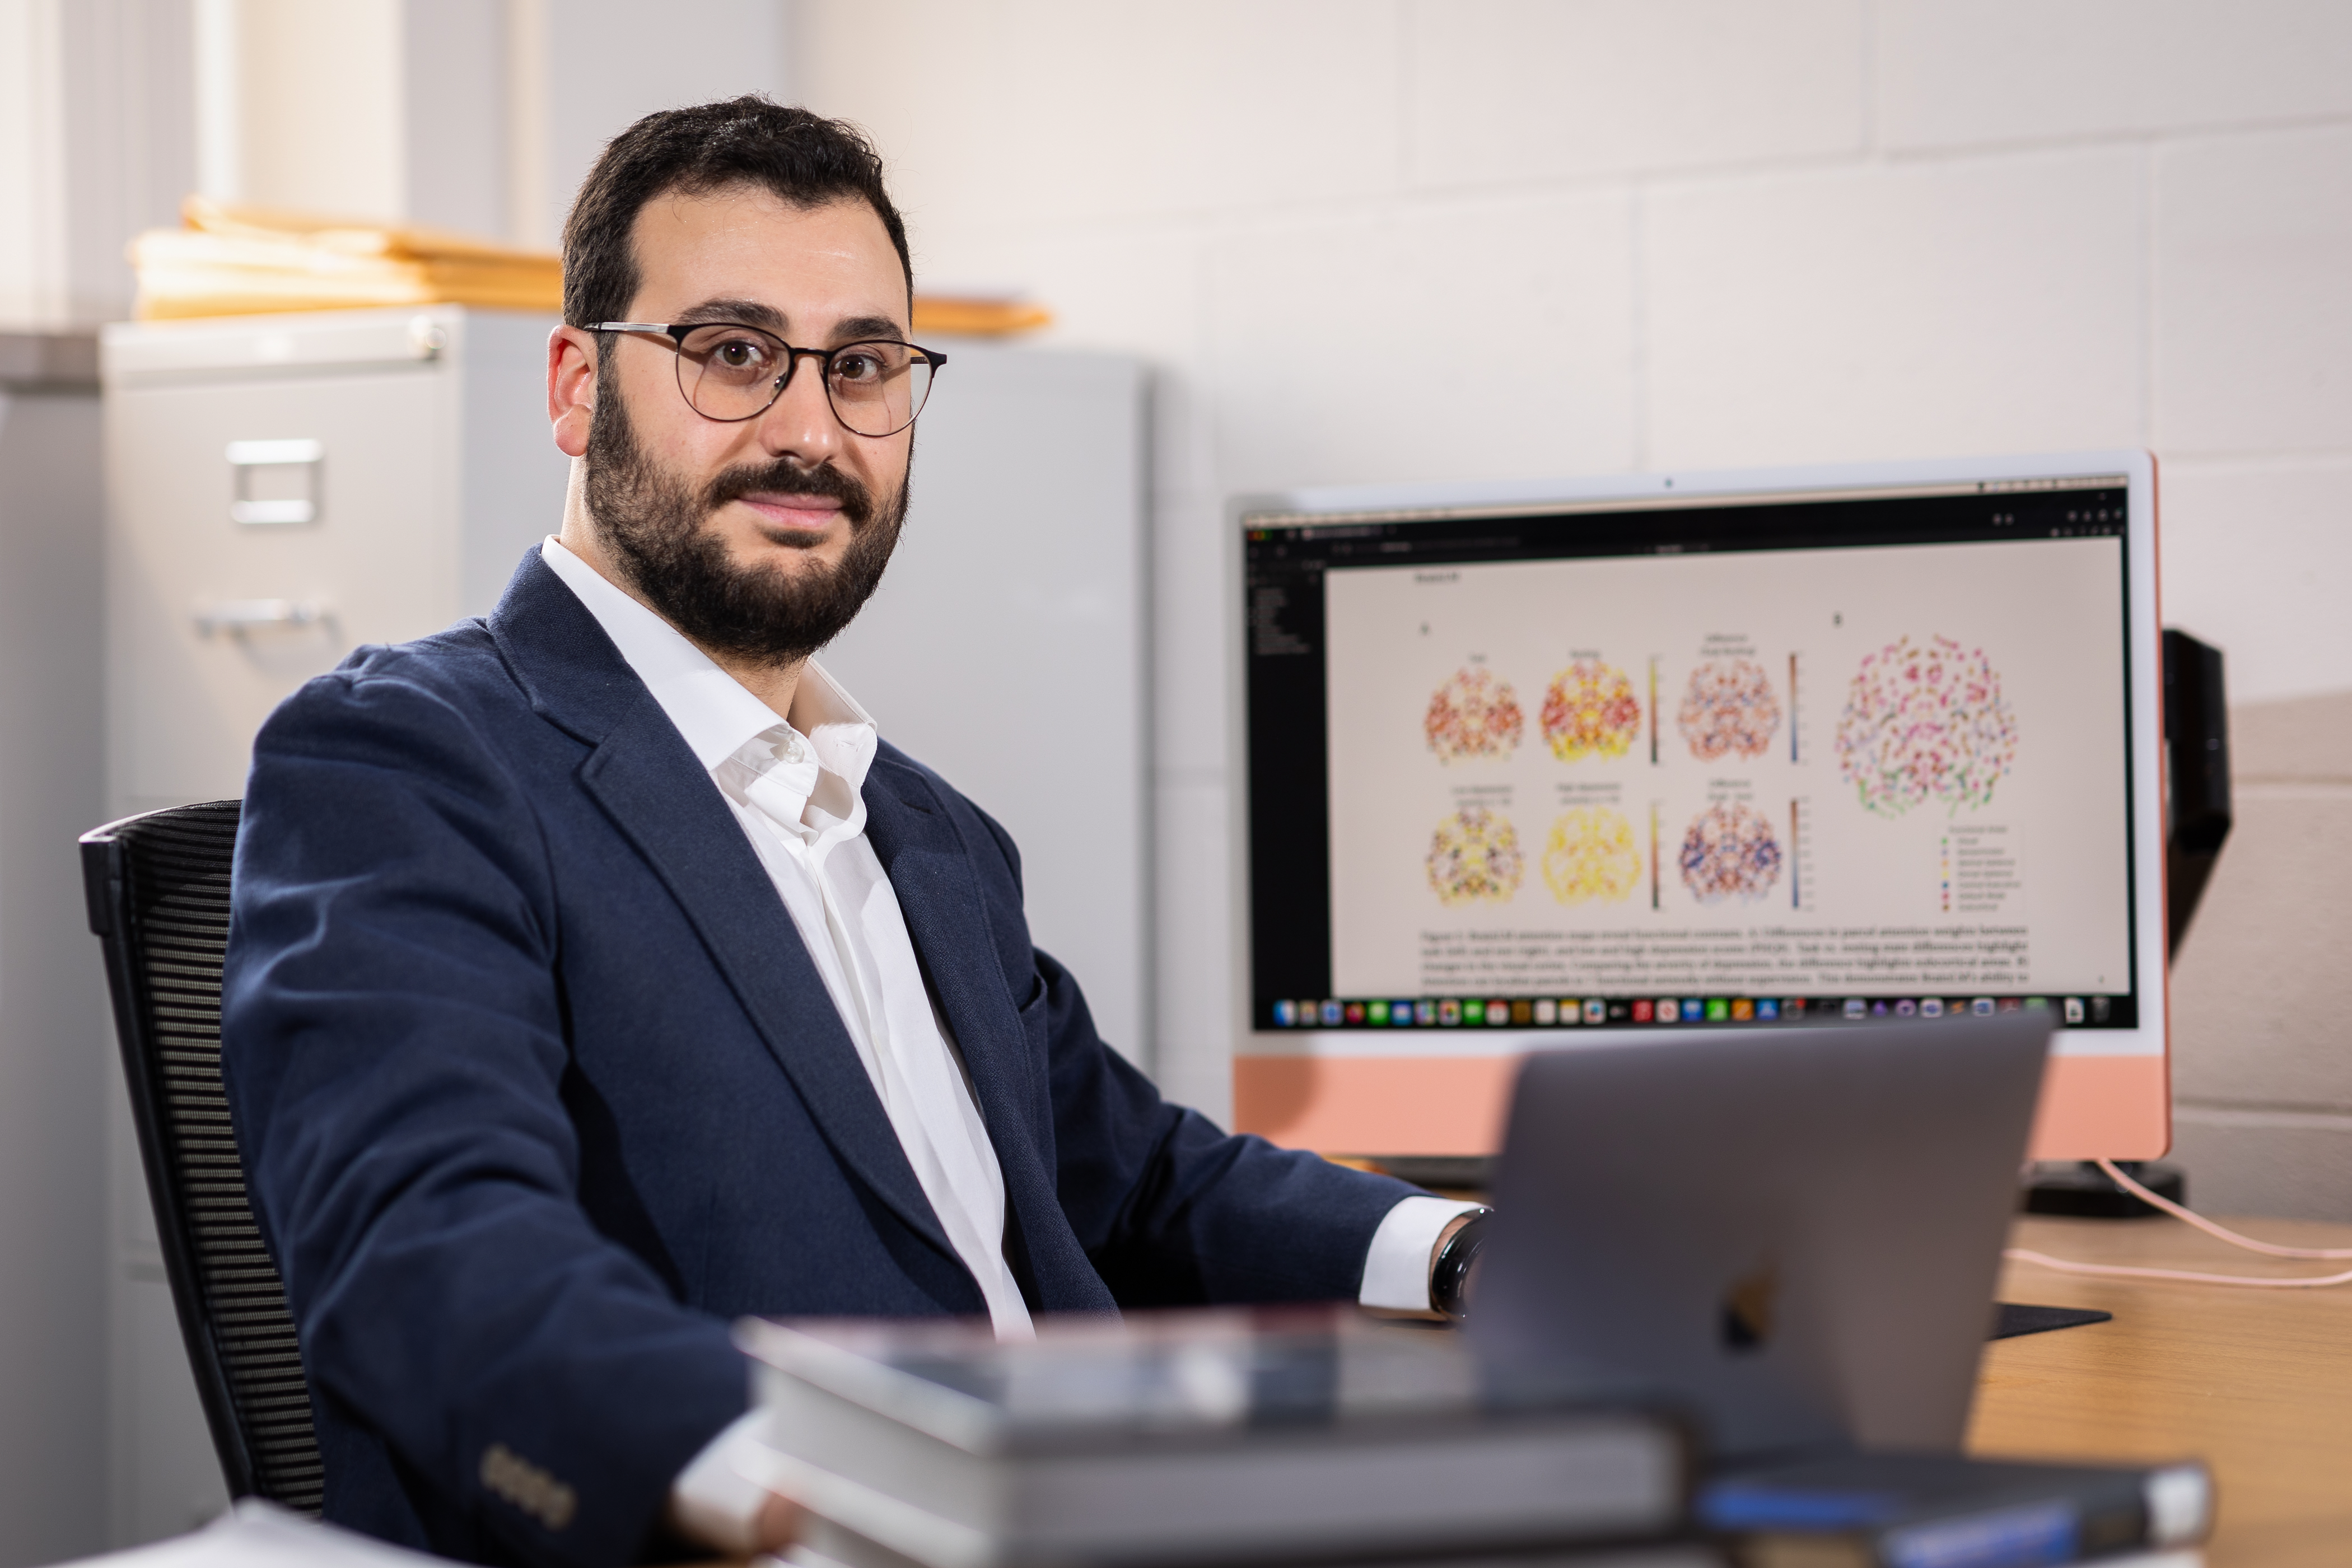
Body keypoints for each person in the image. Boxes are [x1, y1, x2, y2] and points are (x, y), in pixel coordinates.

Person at [222, 98, 1482, 1568]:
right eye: (733, 353)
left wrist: (1458, 1257)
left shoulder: (923, 829)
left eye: (865, 366)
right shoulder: (411, 761)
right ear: (575, 388)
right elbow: (431, 1254)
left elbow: (1133, 1178)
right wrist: (795, 1481)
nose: (811, 431)